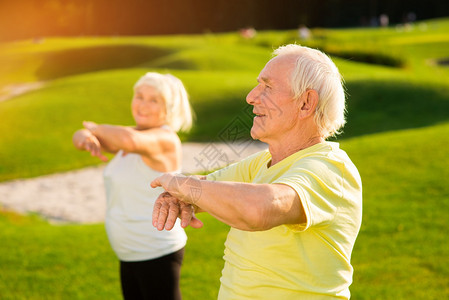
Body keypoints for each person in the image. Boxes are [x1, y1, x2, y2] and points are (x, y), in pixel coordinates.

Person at [151, 44, 363, 299]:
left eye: (268, 87)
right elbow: (205, 185)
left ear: (306, 103)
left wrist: (184, 187)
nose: (251, 96)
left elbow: (258, 209)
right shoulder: (261, 164)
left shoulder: (330, 168)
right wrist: (178, 195)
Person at [72, 72, 199, 300]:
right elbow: (80, 136)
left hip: (156, 251)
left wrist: (94, 128)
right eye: (139, 96)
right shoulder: (130, 133)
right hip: (129, 253)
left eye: (154, 100)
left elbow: (128, 141)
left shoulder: (164, 139)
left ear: (169, 108)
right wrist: (85, 135)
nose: (143, 104)